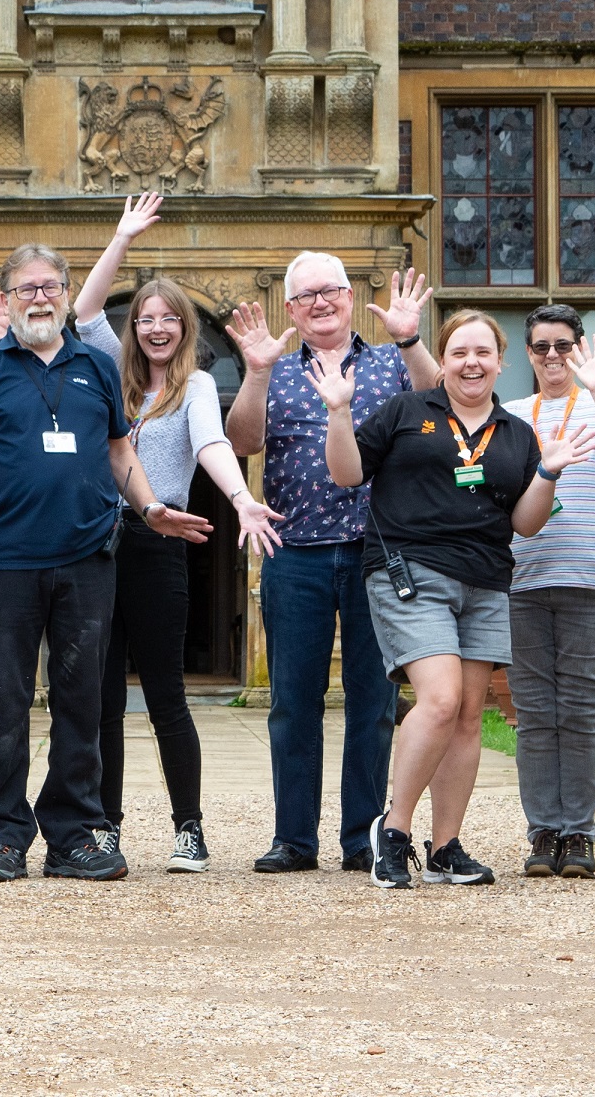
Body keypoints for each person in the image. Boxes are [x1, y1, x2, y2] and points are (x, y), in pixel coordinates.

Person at [0, 244, 210, 883]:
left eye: (50, 287)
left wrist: (151, 506)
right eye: (26, 288)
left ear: (66, 295)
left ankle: (74, 835)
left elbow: (120, 453)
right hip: (8, 562)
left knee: (81, 701)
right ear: (6, 299)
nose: (39, 297)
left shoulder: (98, 368)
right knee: (7, 699)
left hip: (87, 560)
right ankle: (4, 836)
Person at [316, 309, 595, 889]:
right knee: (440, 701)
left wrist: (547, 472)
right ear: (442, 360)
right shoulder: (405, 411)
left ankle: (445, 845)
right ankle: (391, 832)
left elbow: (525, 524)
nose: (472, 363)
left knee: (469, 716)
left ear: (501, 362)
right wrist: (339, 411)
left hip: (488, 581)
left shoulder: (517, 433)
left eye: (484, 353)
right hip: (411, 573)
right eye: (459, 353)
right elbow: (346, 475)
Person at [70, 195, 285, 873]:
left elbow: (212, 441)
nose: (156, 328)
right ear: (132, 329)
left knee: (164, 692)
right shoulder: (109, 370)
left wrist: (242, 497)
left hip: (159, 544)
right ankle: (103, 826)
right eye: (146, 319)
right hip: (97, 546)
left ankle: (188, 828)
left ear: (184, 328)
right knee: (102, 694)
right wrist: (121, 238)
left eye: (168, 319)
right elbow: (80, 313)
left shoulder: (193, 385)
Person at [224, 253, 438, 874]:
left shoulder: (389, 363)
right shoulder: (276, 370)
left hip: (378, 553)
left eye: (333, 290)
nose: (322, 302)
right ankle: (293, 838)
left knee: (372, 701)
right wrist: (257, 372)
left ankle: (360, 836)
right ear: (291, 309)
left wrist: (410, 337)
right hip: (296, 555)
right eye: (308, 295)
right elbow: (242, 442)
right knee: (293, 701)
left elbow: (438, 401)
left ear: (350, 297)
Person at [502, 304, 595, 879]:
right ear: (529, 354)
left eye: (564, 345)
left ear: (581, 348)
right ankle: (543, 832)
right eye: (541, 347)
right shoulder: (511, 416)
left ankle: (580, 835)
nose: (554, 357)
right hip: (523, 581)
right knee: (535, 713)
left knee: (581, 711)